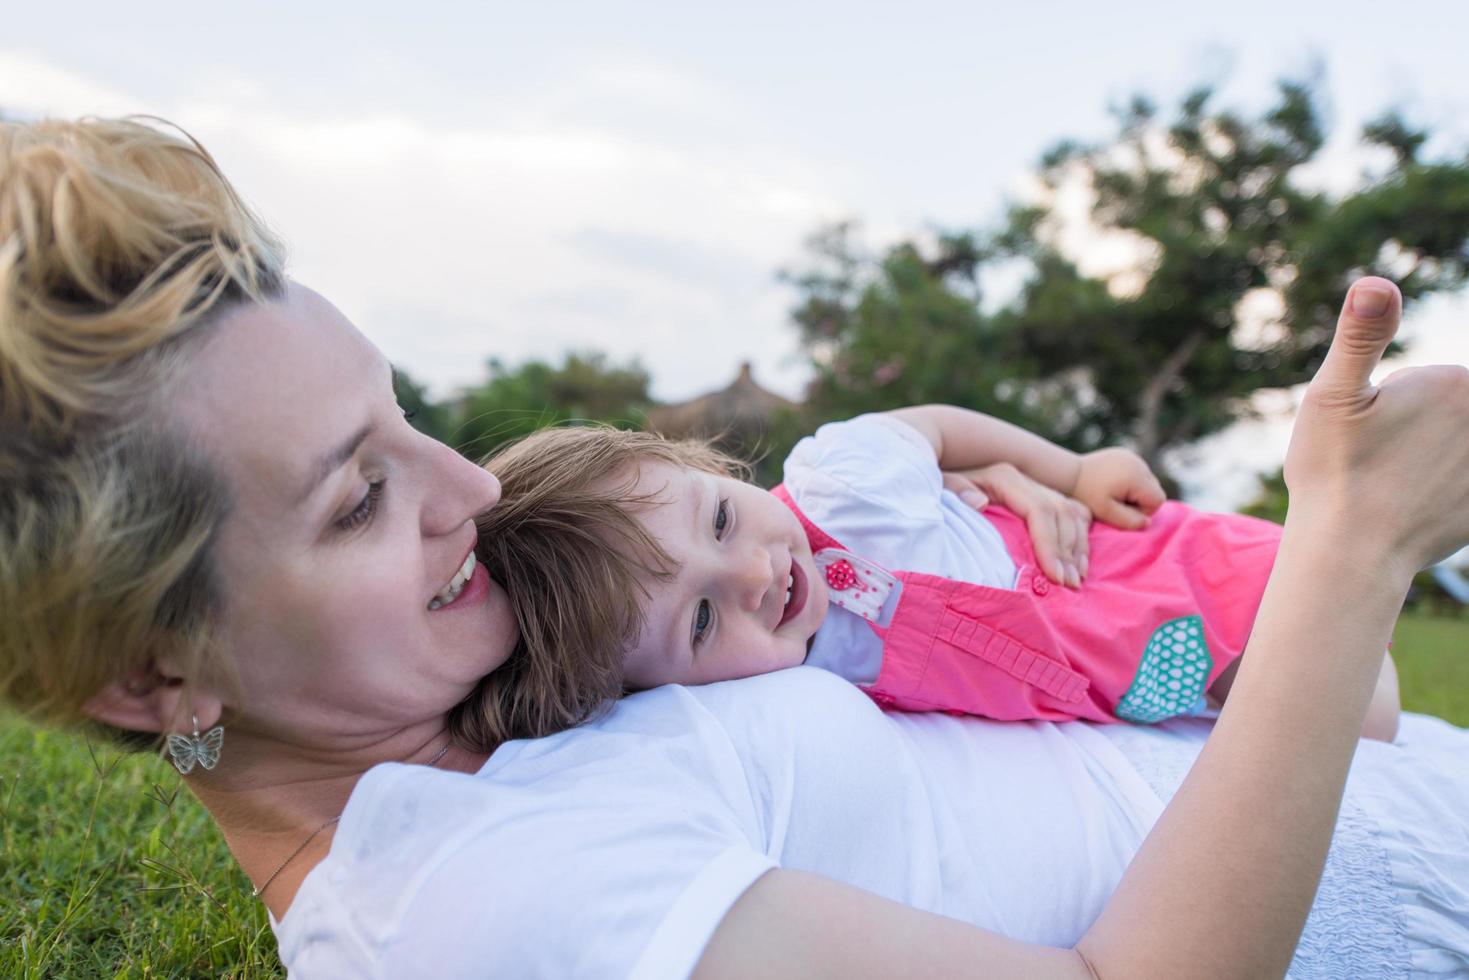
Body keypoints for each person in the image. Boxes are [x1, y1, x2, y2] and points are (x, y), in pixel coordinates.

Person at [2, 116, 1467, 979]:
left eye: (407, 422)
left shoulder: (470, 689)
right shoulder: (482, 908)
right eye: (355, 500)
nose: (465, 485)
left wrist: (990, 516)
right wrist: (1351, 547)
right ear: (155, 676)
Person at [472, 408, 1401, 743]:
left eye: (719, 520)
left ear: (711, 472)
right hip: (1129, 671)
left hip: (1136, 570)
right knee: (1314, 708)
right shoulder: (788, 684)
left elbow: (941, 428)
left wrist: (1066, 471)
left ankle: (1368, 530)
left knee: (1366, 708)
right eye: (702, 623)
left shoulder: (841, 486)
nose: (753, 575)